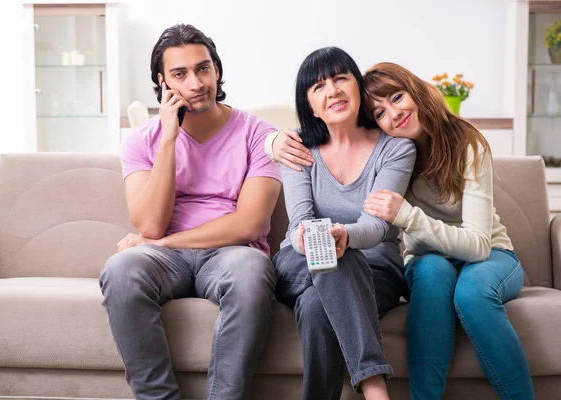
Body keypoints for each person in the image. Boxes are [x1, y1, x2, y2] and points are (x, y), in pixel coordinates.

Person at [270, 62, 535, 400]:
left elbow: (480, 245)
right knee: (430, 273)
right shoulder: (395, 150)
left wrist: (408, 217)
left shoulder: (467, 144)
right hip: (427, 256)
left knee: (472, 296)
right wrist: (272, 141)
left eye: (398, 97)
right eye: (380, 112)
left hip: (489, 253)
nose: (394, 114)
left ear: (416, 90)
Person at [99, 24, 282, 400]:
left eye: (203, 68)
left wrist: (164, 242)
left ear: (216, 70)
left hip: (229, 253)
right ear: (162, 82)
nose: (196, 82)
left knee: (253, 269)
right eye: (180, 74)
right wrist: (168, 137)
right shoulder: (141, 141)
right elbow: (148, 223)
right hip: (166, 261)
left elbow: (252, 224)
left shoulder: (258, 134)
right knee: (120, 269)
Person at [269, 47, 416, 400]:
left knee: (318, 306)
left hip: (376, 267)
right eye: (318, 87)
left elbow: (379, 226)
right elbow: (300, 222)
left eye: (340, 78)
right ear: (310, 104)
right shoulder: (297, 147)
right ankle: (375, 387)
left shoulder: (395, 149)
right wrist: (315, 238)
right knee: (327, 250)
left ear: (357, 86)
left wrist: (343, 236)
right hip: (299, 259)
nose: (332, 90)